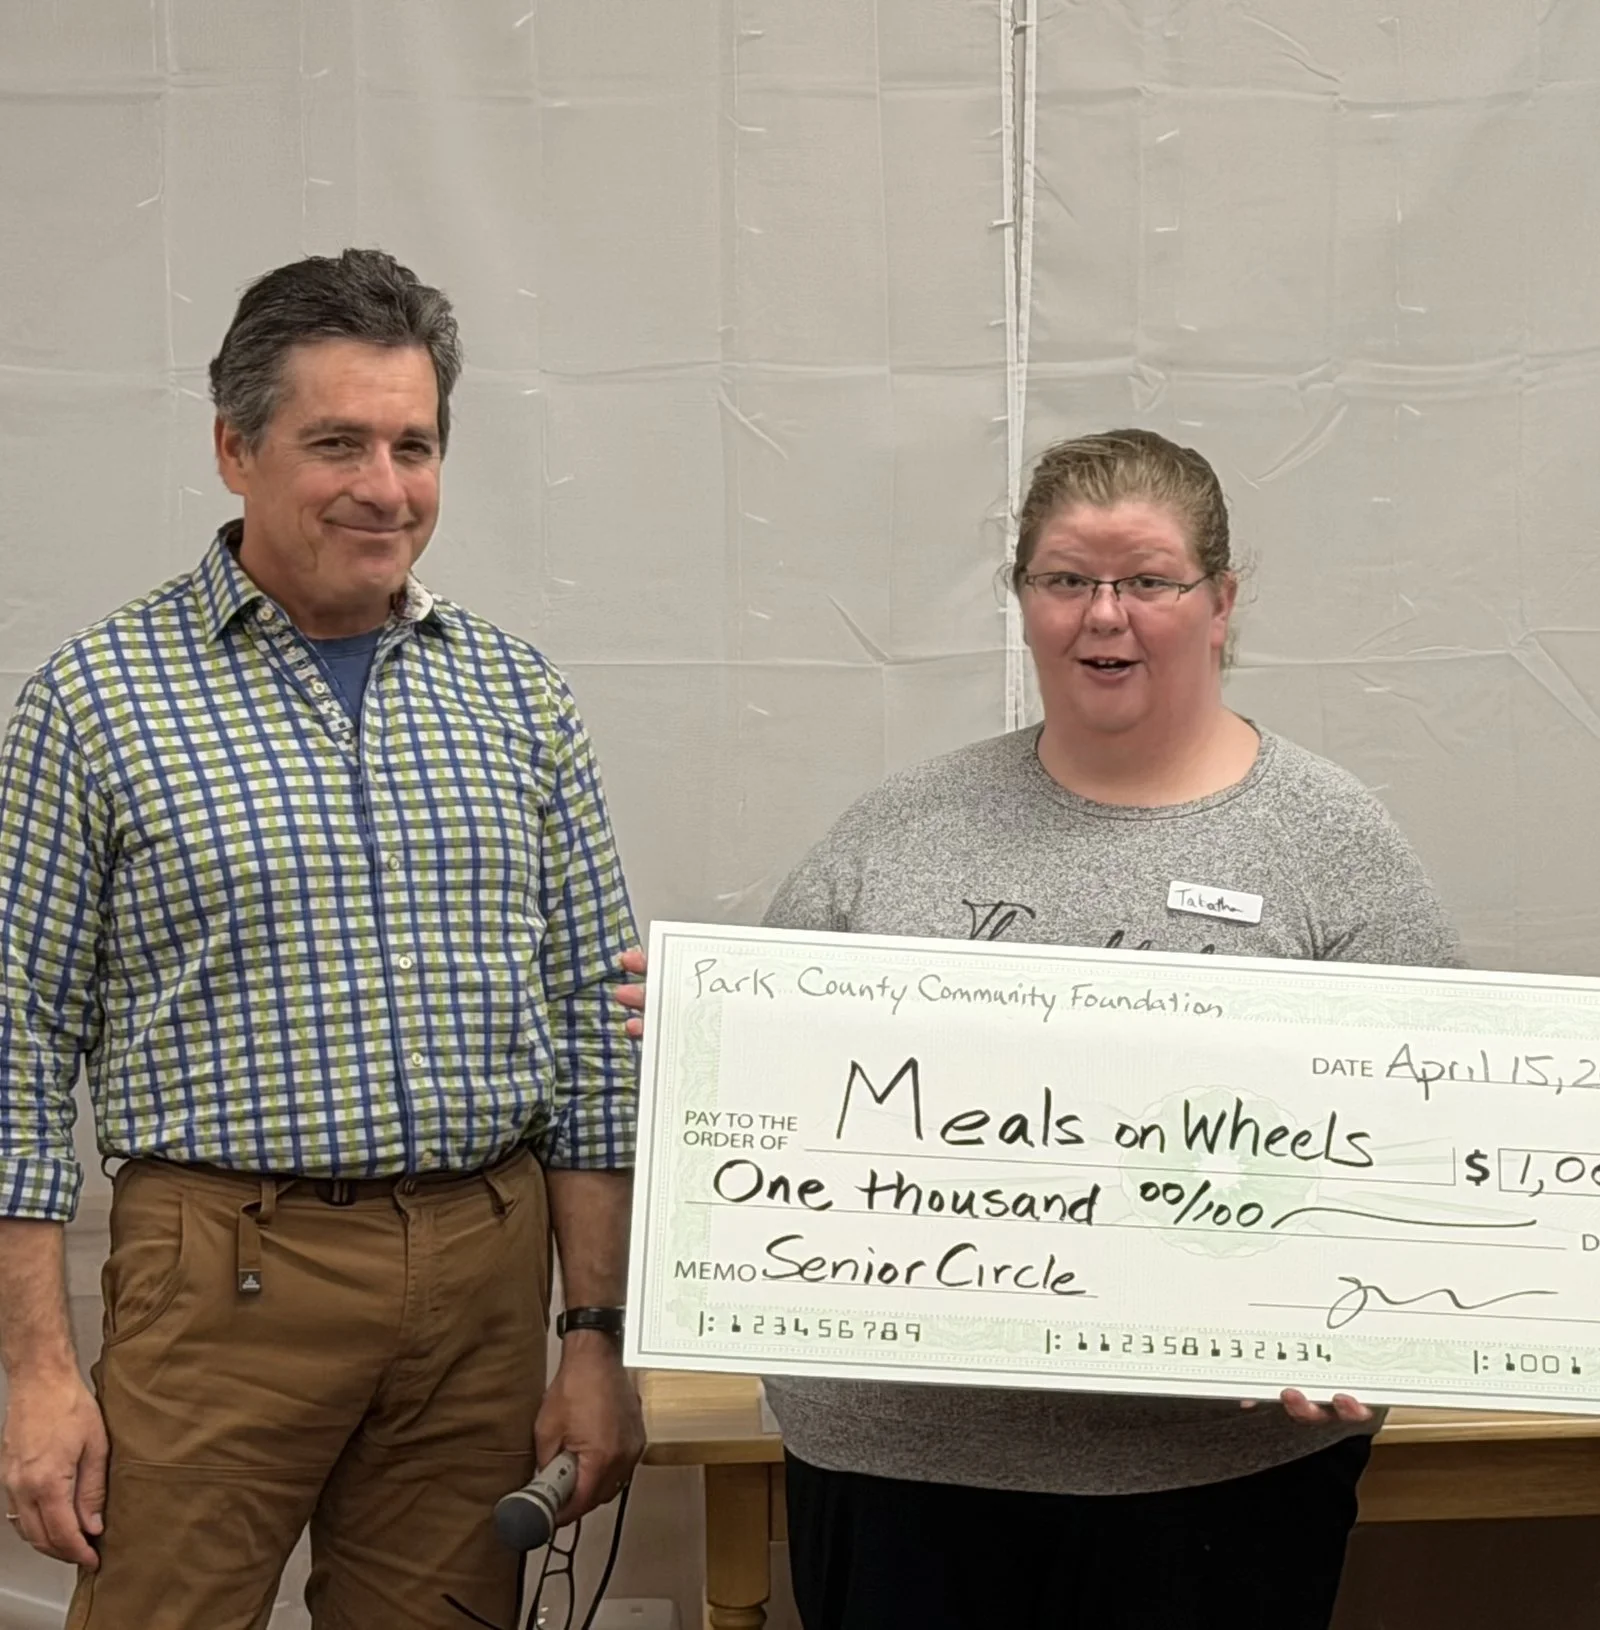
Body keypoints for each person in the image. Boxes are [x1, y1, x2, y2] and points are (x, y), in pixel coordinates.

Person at [620, 427, 1460, 1629]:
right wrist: (711, 1042)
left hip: (1213, 1481)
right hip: (897, 1464)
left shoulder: (1332, 842)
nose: (1103, 615)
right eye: (1067, 578)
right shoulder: (899, 831)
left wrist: (1374, 1322)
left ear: (1221, 602)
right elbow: (779, 1127)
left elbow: (1433, 1141)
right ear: (1021, 598)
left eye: (1148, 580)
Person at [0, 250, 645, 1629]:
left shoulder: (516, 694)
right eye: (337, 443)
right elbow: (15, 1044)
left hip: (484, 1276)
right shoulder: (96, 702)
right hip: (223, 1273)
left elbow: (597, 1026)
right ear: (234, 449)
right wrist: (35, 1372)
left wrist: (592, 1337)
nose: (385, 486)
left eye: (414, 445)